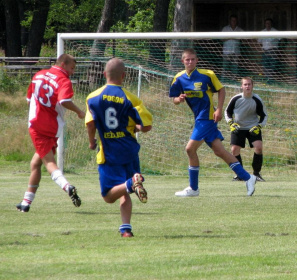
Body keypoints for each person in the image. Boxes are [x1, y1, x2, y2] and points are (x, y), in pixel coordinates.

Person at [169, 48, 257, 197]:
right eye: (187, 59)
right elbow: (174, 100)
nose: (190, 62)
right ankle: (249, 177)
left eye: (192, 59)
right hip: (198, 117)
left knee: (190, 149)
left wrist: (219, 110)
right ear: (182, 61)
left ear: (197, 61)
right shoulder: (179, 78)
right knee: (219, 151)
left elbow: (221, 90)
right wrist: (180, 99)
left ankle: (193, 188)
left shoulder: (207, 74)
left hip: (207, 117)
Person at [85, 58, 153, 237]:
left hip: (109, 153)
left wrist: (92, 141)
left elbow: (90, 124)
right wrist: (136, 127)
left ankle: (132, 182)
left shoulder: (93, 98)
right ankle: (126, 229)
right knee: (124, 190)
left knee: (108, 196)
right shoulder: (132, 99)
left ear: (104, 74)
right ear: (124, 76)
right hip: (129, 150)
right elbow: (146, 126)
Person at [16, 54, 86, 213]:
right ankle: (26, 202)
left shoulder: (38, 75)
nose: (73, 72)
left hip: (37, 125)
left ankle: (67, 186)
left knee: (48, 163)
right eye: (72, 68)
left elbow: (29, 99)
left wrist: (78, 111)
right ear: (63, 63)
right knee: (36, 163)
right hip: (53, 127)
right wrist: (79, 111)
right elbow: (63, 100)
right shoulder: (63, 81)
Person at [225, 77, 268, 182]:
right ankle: (240, 175)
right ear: (242, 86)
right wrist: (231, 123)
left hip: (252, 127)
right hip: (238, 127)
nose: (247, 86)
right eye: (245, 84)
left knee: (258, 147)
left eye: (249, 84)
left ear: (252, 86)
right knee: (234, 150)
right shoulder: (236, 98)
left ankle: (256, 174)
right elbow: (227, 112)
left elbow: (264, 115)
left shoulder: (257, 99)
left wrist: (258, 126)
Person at [257, 18, 281, 84]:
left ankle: (271, 81)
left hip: (273, 51)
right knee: (265, 67)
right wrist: (261, 49)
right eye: (266, 23)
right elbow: (259, 42)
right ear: (265, 24)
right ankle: (267, 80)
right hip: (265, 51)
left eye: (269, 23)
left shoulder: (275, 32)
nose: (268, 24)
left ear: (271, 24)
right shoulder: (262, 32)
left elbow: (281, 39)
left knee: (272, 66)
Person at [221, 15, 244, 81]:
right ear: (230, 21)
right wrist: (231, 37)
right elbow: (221, 39)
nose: (233, 21)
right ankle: (223, 80)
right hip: (226, 52)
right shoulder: (225, 29)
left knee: (235, 67)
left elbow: (244, 38)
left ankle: (233, 80)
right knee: (225, 67)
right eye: (232, 20)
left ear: (236, 21)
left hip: (236, 51)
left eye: (235, 20)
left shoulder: (239, 30)